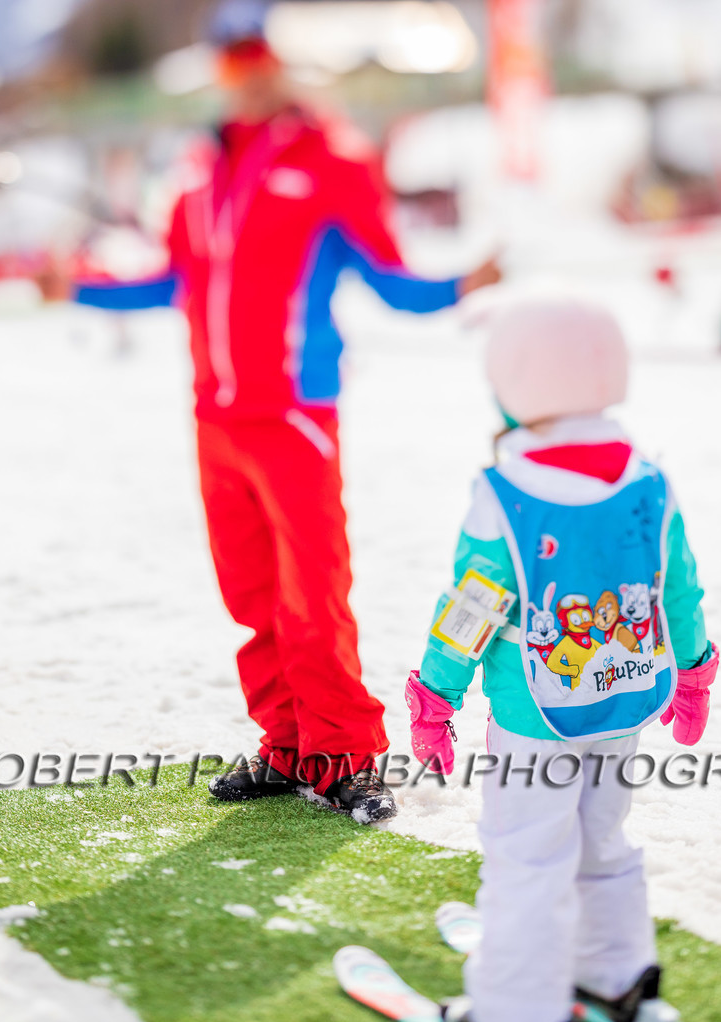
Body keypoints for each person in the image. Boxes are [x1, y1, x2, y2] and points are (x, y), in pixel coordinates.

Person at [58, 0, 500, 823]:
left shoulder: (332, 156)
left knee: (312, 594)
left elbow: (392, 279)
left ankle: (347, 757)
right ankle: (289, 747)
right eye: (230, 58)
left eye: (258, 54)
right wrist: (77, 286)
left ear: (284, 61)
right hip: (215, 417)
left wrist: (462, 283)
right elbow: (171, 280)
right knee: (251, 596)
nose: (246, 72)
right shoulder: (197, 168)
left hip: (294, 412)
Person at [404, 300, 717, 1022]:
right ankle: (617, 973)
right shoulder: (650, 484)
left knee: (527, 856)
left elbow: (473, 607)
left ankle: (516, 1017)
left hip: (534, 718)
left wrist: (436, 694)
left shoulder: (506, 493)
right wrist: (696, 670)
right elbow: (679, 589)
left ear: (512, 384)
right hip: (625, 700)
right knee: (603, 837)